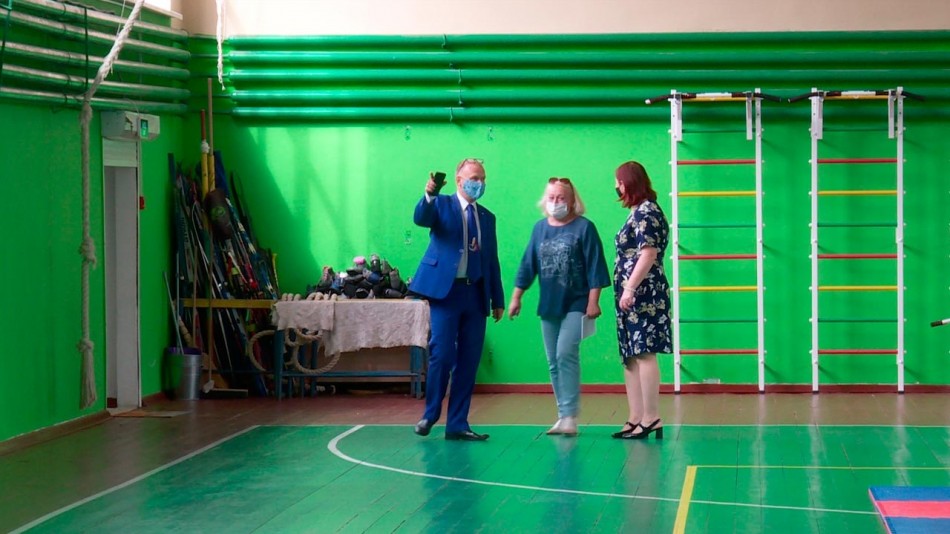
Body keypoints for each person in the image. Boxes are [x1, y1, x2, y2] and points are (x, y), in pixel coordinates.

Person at [409, 158, 505, 441]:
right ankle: (430, 414)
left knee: (469, 359)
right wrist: (430, 193)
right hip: (445, 293)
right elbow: (421, 218)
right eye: (475, 178)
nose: (480, 183)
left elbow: (491, 260)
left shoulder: (487, 217)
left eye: (483, 178)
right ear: (459, 179)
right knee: (441, 353)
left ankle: (458, 424)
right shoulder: (441, 205)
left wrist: (497, 298)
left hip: (475, 294)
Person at [508, 178, 610, 436]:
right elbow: (528, 264)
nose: (556, 202)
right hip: (549, 304)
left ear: (572, 201)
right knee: (553, 360)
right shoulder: (539, 229)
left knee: (565, 352)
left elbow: (595, 265)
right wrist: (517, 297)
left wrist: (593, 300)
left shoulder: (584, 228)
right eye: (552, 197)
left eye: (561, 198)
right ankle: (563, 414)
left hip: (577, 302)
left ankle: (571, 416)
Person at [612, 161, 672, 440]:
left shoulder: (647, 212)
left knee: (645, 352)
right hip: (631, 296)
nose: (616, 187)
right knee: (631, 356)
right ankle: (636, 417)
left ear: (628, 183)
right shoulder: (637, 212)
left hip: (644, 294)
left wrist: (630, 288)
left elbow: (648, 254)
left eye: (619, 182)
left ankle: (651, 417)